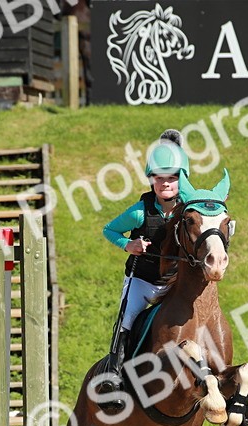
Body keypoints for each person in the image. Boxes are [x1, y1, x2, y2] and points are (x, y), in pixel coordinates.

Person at [94, 129, 189, 404]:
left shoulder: (188, 209)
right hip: (143, 281)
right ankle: (113, 377)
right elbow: (109, 229)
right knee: (127, 318)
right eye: (159, 178)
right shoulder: (139, 211)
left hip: (174, 283)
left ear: (182, 180)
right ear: (151, 180)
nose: (166, 184)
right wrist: (128, 245)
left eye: (172, 178)